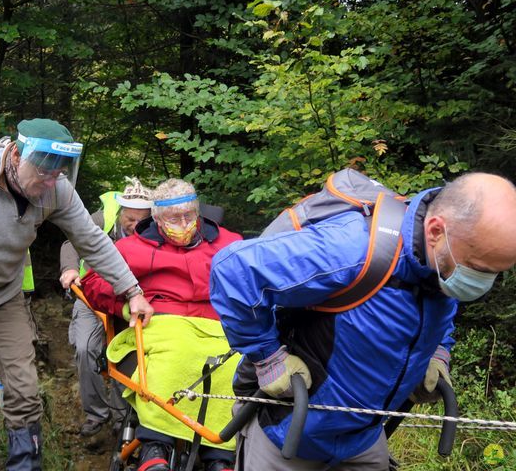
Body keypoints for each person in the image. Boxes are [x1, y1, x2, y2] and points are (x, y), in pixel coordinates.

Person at [209, 172, 516, 471]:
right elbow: (234, 269)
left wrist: (438, 354)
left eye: (493, 273)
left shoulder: (441, 264)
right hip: (287, 433)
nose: (482, 282)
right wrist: (267, 358)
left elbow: (441, 310)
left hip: (363, 440)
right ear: (435, 231)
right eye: (476, 268)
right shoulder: (352, 248)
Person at [0, 118, 154, 471]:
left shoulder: (57, 189)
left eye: (57, 174)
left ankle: (24, 465)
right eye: (43, 172)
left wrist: (133, 291)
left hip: (3, 297)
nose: (48, 182)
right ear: (16, 155)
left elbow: (92, 242)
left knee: (24, 390)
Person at [81, 178, 242, 471]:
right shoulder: (132, 247)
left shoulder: (229, 243)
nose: (182, 224)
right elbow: (94, 281)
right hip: (161, 320)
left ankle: (221, 455)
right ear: (156, 218)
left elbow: (254, 277)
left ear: (198, 213)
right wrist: (128, 302)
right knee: (175, 355)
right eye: (172, 218)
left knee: (233, 363)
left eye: (188, 216)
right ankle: (155, 444)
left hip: (216, 324)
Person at [59, 177, 153, 438]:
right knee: (85, 348)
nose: (135, 226)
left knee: (125, 354)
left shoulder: (156, 231)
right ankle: (96, 413)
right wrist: (68, 270)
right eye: (130, 219)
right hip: (91, 296)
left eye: (141, 221)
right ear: (121, 212)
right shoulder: (102, 219)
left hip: (128, 301)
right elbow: (71, 242)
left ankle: (123, 417)